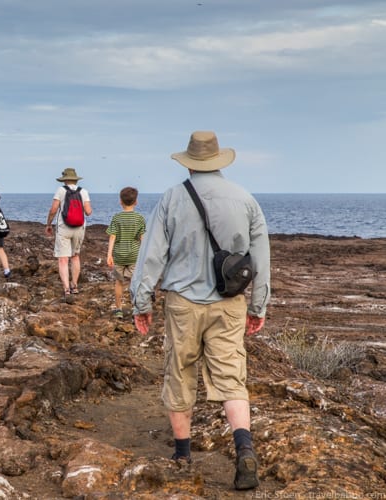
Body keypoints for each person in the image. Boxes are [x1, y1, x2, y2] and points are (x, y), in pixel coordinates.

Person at [130, 131, 270, 490]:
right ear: (219, 161)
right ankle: (244, 449)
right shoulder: (246, 200)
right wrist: (258, 305)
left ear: (190, 162)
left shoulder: (172, 198)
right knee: (232, 377)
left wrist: (141, 301)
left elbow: (152, 254)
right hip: (229, 304)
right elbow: (261, 260)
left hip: (183, 304)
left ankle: (182, 454)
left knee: (179, 372)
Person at [45, 168, 92, 304]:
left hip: (64, 228)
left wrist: (48, 224)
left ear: (64, 180)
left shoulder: (61, 191)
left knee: (63, 259)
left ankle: (66, 289)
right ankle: (75, 285)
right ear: (76, 179)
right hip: (79, 228)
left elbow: (54, 209)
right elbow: (89, 212)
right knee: (75, 256)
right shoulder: (84, 191)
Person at [106, 187, 146, 319]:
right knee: (134, 282)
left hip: (119, 255)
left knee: (119, 282)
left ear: (120, 202)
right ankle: (136, 308)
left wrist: (109, 255)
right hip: (134, 255)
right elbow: (142, 238)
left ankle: (118, 309)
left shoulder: (117, 218)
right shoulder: (139, 218)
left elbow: (112, 237)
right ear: (136, 202)